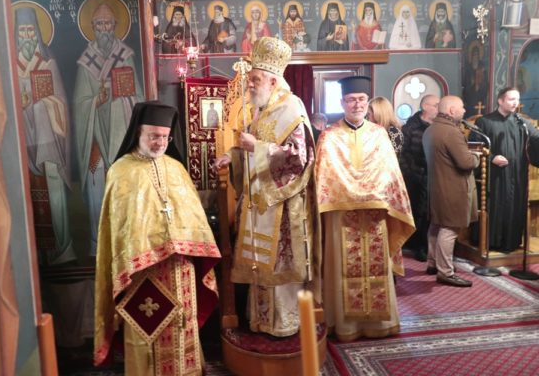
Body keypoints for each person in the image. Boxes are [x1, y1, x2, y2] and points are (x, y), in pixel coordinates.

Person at [94, 102, 221, 375]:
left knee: (183, 325)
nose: (160, 143)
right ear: (138, 133)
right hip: (144, 274)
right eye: (153, 136)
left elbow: (194, 219)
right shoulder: (121, 171)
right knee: (147, 330)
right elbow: (118, 230)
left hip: (181, 269)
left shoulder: (177, 169)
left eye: (165, 137)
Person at [213, 37, 321, 337]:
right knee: (259, 263)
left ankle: (284, 323)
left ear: (273, 81)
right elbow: (249, 148)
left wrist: (257, 147)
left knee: (279, 263)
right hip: (258, 201)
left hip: (282, 203)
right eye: (250, 79)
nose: (249, 84)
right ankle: (260, 321)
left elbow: (300, 157)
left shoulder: (292, 108)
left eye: (255, 79)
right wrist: (232, 156)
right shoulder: (260, 109)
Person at [315, 76, 414, 342]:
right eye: (351, 100)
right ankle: (344, 325)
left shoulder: (379, 134)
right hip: (340, 215)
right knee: (340, 267)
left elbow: (390, 173)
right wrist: (355, 192)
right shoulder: (329, 136)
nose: (356, 104)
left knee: (377, 266)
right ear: (342, 103)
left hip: (375, 214)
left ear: (367, 103)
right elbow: (324, 177)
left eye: (361, 99)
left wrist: (374, 194)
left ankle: (380, 324)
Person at [73, 2, 143, 256]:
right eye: (100, 24)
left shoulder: (125, 55)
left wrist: (122, 98)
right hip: (97, 134)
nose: (104, 29)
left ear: (115, 26)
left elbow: (138, 97)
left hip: (121, 133)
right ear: (93, 28)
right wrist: (96, 102)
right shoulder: (86, 62)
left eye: (108, 24)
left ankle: (128, 243)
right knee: (96, 179)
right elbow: (80, 104)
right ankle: (98, 244)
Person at [15, 6, 76, 265]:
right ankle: (36, 255)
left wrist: (41, 103)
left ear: (37, 33)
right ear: (16, 34)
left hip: (48, 139)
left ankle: (63, 249)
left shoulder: (48, 64)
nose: (27, 36)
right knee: (26, 190)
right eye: (22, 31)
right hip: (24, 141)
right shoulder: (11, 66)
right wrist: (21, 103)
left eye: (31, 30)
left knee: (53, 186)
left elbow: (60, 101)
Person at [423, 96, 479, 287]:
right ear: (452, 110)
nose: (464, 111)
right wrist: (477, 156)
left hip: (437, 186)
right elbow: (466, 162)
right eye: (462, 107)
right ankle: (445, 272)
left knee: (436, 225)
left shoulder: (431, 129)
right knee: (450, 228)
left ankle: (432, 263)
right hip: (452, 188)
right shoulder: (451, 132)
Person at [474, 87, 539, 252]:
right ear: (500, 101)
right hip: (494, 175)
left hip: (517, 174)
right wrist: (491, 158)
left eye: (517, 99)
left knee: (514, 207)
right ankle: (491, 242)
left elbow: (536, 139)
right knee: (496, 206)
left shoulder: (522, 122)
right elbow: (475, 148)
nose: (515, 103)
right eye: (511, 99)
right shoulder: (484, 122)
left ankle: (511, 242)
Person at [399, 94, 440, 262]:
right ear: (425, 107)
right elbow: (403, 153)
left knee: (432, 213)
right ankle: (418, 246)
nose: (439, 108)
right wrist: (412, 173)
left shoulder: (439, 126)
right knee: (418, 211)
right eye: (436, 105)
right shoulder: (410, 127)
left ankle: (428, 245)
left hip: (435, 176)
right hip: (415, 176)